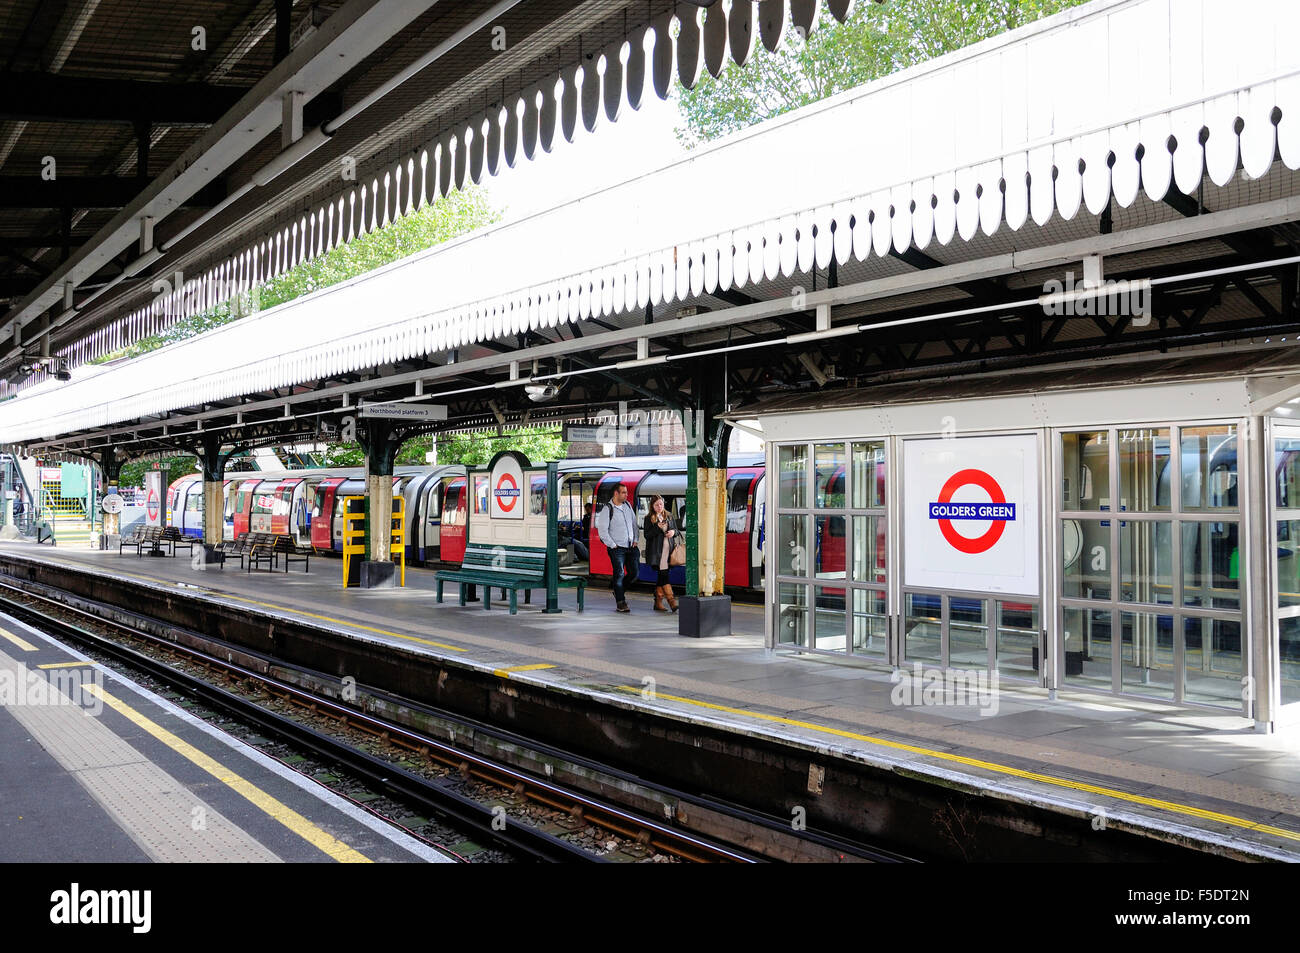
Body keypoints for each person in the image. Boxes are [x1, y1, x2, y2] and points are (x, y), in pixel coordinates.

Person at [593, 484, 639, 612]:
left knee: (635, 574)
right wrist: (613, 545)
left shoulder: (628, 506)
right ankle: (621, 602)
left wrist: (636, 540)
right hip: (617, 548)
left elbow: (634, 524)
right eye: (623, 492)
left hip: (631, 546)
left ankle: (618, 591)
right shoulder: (607, 509)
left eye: (626, 492)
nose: (626, 495)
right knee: (619, 574)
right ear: (616, 493)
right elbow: (602, 531)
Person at [642, 495, 679, 613]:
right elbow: (647, 535)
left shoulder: (669, 516)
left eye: (661, 504)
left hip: (669, 551)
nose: (659, 507)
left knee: (662, 576)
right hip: (657, 553)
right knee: (664, 575)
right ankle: (671, 601)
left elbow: (677, 531)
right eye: (657, 505)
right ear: (652, 506)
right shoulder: (648, 518)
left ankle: (658, 602)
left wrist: (673, 532)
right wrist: (657, 528)